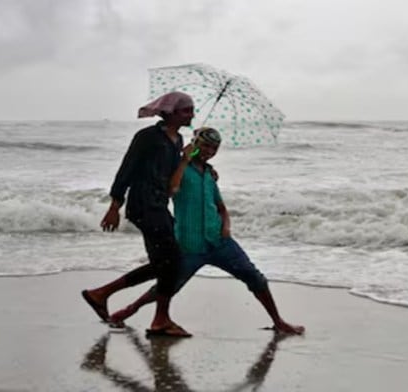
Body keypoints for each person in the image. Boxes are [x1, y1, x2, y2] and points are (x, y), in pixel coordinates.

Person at [108, 127, 304, 335]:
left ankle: (278, 321)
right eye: (205, 146)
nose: (209, 151)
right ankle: (130, 310)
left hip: (219, 242)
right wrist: (184, 160)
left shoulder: (210, 174)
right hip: (189, 245)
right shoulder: (179, 168)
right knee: (168, 286)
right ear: (194, 144)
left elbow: (221, 208)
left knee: (254, 277)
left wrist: (226, 227)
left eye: (214, 148)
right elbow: (172, 190)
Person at [81, 91, 196, 337]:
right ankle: (159, 320)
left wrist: (189, 161)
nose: (191, 115)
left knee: (166, 263)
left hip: (159, 205)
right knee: (171, 262)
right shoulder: (147, 137)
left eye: (192, 110)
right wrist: (114, 207)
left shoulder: (177, 140)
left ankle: (101, 294)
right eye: (186, 110)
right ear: (171, 112)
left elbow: (172, 180)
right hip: (143, 204)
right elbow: (126, 170)